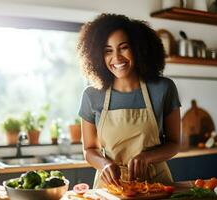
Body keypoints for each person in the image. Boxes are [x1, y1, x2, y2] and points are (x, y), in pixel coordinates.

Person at [77, 13, 181, 189]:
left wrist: (146, 158)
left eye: (123, 47)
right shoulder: (91, 95)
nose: (116, 58)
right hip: (110, 188)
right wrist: (104, 164)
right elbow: (89, 149)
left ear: (139, 49)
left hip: (156, 185)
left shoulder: (164, 88)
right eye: (108, 50)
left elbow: (174, 143)